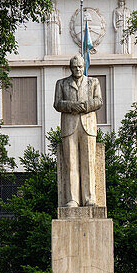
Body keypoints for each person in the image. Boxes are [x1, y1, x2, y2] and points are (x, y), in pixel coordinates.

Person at [53, 55, 102, 207]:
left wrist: (86, 106)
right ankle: (72, 199)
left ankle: (89, 198)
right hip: (69, 126)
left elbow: (99, 101)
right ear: (70, 68)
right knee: (71, 164)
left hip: (88, 126)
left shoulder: (93, 82)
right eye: (75, 67)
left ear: (84, 66)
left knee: (88, 163)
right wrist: (71, 106)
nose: (78, 69)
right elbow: (57, 103)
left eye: (80, 66)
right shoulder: (61, 83)